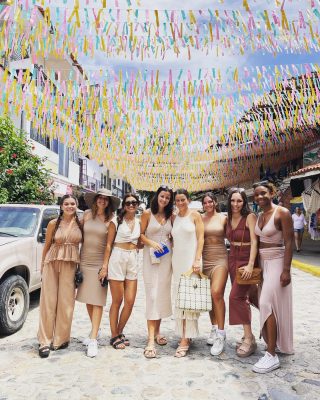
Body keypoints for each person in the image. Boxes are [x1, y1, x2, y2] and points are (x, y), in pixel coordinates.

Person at [253, 181, 294, 374]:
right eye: (256, 195)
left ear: (272, 192)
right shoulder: (260, 215)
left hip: (277, 262)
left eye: (263, 193)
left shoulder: (282, 213)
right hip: (263, 264)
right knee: (268, 305)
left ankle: (271, 355)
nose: (259, 197)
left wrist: (286, 270)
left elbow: (289, 242)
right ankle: (273, 343)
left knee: (266, 303)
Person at [76, 189, 120, 358]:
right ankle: (96, 329)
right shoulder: (86, 215)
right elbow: (78, 234)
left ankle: (93, 339)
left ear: (108, 202)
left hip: (99, 263)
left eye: (105, 199)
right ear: (95, 200)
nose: (102, 201)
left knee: (98, 301)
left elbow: (109, 246)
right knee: (88, 298)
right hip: (84, 261)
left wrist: (105, 266)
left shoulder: (111, 220)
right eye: (100, 198)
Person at [38, 195, 83, 358]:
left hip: (71, 265)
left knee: (66, 302)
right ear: (61, 206)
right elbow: (47, 245)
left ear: (76, 205)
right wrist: (42, 267)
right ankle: (44, 341)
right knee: (48, 302)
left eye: (72, 203)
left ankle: (61, 338)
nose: (70, 206)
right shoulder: (53, 223)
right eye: (66, 204)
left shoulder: (81, 223)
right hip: (52, 262)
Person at [99, 193, 141, 350]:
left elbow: (140, 241)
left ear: (137, 205)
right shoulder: (116, 221)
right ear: (124, 205)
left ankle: (119, 331)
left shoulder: (139, 222)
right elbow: (109, 245)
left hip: (133, 259)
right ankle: (114, 334)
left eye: (134, 203)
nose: (131, 205)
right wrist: (104, 267)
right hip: (117, 258)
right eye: (128, 203)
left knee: (130, 301)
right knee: (118, 300)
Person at [140, 186, 174, 358]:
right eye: (162, 196)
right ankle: (150, 340)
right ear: (157, 196)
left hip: (166, 259)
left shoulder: (171, 216)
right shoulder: (147, 213)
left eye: (168, 197)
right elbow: (140, 235)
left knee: (161, 295)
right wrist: (152, 243)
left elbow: (174, 235)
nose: (164, 200)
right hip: (150, 258)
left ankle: (158, 331)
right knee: (152, 296)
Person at [171, 189, 204, 358]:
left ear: (188, 200)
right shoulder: (174, 217)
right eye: (177, 200)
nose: (180, 203)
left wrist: (197, 260)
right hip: (177, 262)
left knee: (188, 300)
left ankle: (185, 338)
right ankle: (186, 334)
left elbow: (201, 239)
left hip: (191, 262)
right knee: (180, 300)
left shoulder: (195, 215)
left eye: (183, 199)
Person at [226, 189, 258, 358]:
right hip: (232, 258)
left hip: (245, 259)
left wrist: (251, 265)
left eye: (239, 201)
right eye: (233, 201)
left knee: (235, 297)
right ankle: (248, 335)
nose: (236, 204)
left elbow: (254, 241)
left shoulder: (250, 217)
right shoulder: (228, 218)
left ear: (244, 202)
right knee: (242, 298)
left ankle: (249, 338)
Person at [201, 193, 228, 356]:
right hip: (205, 259)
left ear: (215, 202)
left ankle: (221, 333)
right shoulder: (199, 218)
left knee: (216, 293)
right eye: (205, 202)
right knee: (210, 298)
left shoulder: (223, 218)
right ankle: (213, 327)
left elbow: (234, 234)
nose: (208, 204)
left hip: (220, 259)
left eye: (210, 201)